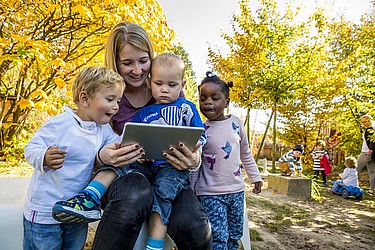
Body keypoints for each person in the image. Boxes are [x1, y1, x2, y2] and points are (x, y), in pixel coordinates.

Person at [58, 22, 212, 249]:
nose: (138, 70)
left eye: (143, 61)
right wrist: (103, 156)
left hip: (169, 171)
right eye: (127, 63)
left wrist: (193, 161)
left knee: (194, 225)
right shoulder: (106, 93)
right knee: (135, 194)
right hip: (127, 174)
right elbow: (86, 140)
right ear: (116, 63)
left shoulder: (168, 87)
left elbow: (192, 135)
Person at [23, 66, 124, 249]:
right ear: (85, 99)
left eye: (118, 100)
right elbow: (31, 148)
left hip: (77, 213)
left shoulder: (103, 129)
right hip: (46, 211)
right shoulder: (60, 124)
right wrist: (44, 157)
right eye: (110, 99)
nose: (116, 106)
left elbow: (119, 144)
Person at [191, 71, 262, 250]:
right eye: (203, 98)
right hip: (210, 194)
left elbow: (245, 153)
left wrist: (255, 177)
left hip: (237, 191)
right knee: (218, 236)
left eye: (215, 98)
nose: (208, 102)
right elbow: (195, 163)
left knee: (235, 233)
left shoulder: (236, 124)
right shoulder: (200, 129)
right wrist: (191, 189)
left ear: (227, 102)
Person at [356, 114, 375, 196]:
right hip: (371, 154)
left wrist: (370, 150)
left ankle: (350, 185)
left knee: (355, 169)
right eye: (362, 122)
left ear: (369, 120)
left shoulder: (371, 129)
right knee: (372, 172)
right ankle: (371, 190)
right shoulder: (372, 127)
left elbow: (372, 140)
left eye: (364, 122)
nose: (363, 124)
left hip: (366, 152)